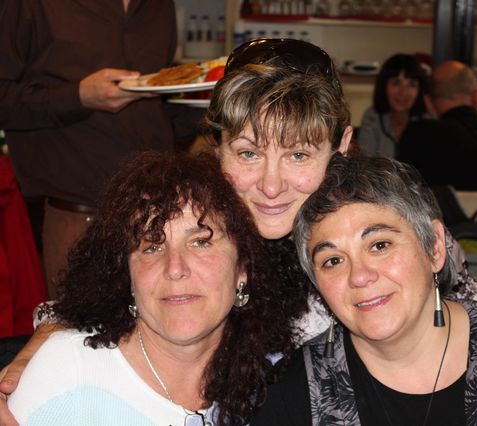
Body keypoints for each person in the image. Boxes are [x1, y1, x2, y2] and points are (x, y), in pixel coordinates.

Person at [0, 39, 477, 425]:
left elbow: (462, 330)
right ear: (217, 149)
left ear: (340, 147)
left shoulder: (372, 225)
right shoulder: (204, 220)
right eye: (247, 152)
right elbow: (126, 284)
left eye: (297, 155)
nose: (270, 185)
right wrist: (49, 336)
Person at [252, 154, 477, 425]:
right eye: (333, 261)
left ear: (435, 248)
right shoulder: (296, 392)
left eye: (380, 245)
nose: (360, 276)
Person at [7, 151, 298, 425]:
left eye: (200, 242)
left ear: (242, 269)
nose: (175, 268)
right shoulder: (69, 374)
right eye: (152, 247)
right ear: (127, 277)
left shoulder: (278, 383)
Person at [0, 0, 203, 298]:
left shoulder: (158, 6)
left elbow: (152, 112)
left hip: (159, 214)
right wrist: (78, 96)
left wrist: (214, 108)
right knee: (79, 325)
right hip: (79, 218)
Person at [397, 60, 477, 190]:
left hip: (439, 204)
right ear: (475, 95)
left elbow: (399, 192)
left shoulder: (418, 134)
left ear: (428, 102)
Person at [357, 54, 429, 158]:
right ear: (383, 86)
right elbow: (364, 162)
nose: (403, 92)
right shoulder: (373, 117)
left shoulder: (429, 121)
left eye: (411, 85)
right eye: (396, 83)